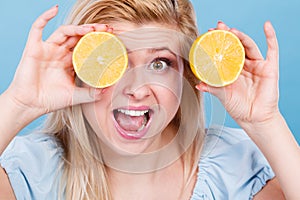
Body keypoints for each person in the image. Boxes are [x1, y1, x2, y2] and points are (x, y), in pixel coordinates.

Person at [0, 0, 299, 199]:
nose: (137, 89)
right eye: (112, 61)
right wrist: (19, 103)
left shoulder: (235, 168)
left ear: (187, 75)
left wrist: (265, 122)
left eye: (159, 63)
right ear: (78, 68)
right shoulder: (33, 172)